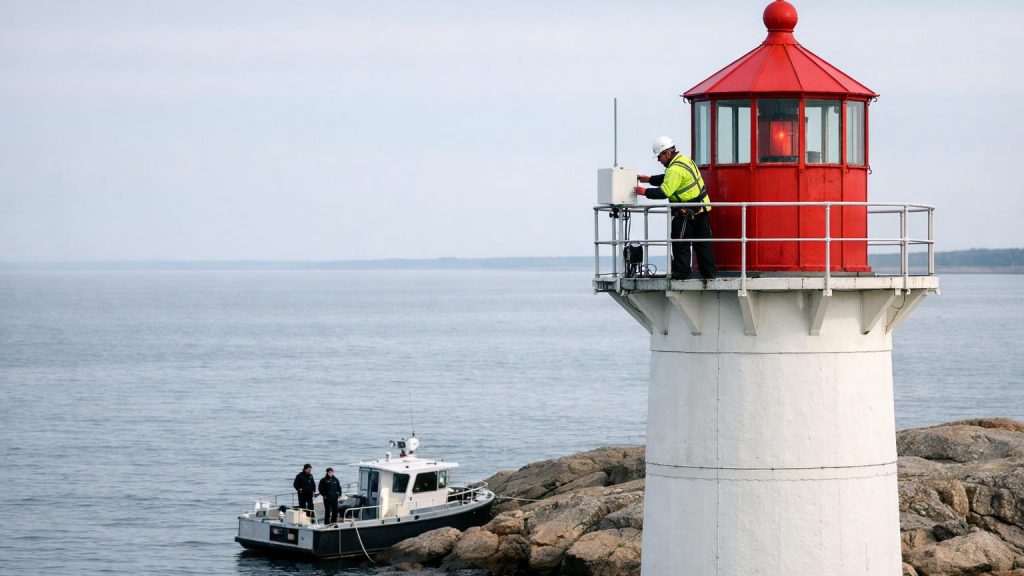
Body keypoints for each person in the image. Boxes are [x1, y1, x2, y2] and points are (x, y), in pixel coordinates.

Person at [634, 136, 717, 280]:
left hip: (686, 213)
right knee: (703, 244)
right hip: (701, 209)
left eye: (659, 156)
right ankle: (709, 274)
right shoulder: (685, 160)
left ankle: (682, 272)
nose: (659, 160)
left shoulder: (674, 170)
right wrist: (649, 179)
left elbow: (664, 191)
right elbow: (669, 178)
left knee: (680, 243)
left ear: (667, 153)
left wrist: (644, 192)